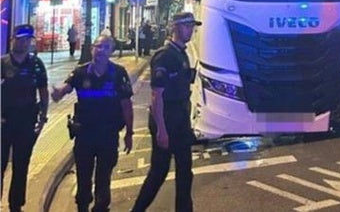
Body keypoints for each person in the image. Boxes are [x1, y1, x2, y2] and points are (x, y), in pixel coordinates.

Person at [51, 34, 134, 212]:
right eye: (98, 46)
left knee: (104, 175)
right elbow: (64, 89)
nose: (101, 50)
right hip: (85, 135)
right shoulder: (80, 72)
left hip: (108, 134)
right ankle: (82, 205)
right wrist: (57, 93)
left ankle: (101, 206)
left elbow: (126, 105)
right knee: (83, 174)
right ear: (91, 49)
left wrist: (129, 133)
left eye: (105, 47)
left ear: (111, 51)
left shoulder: (119, 73)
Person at [132, 12, 199, 212]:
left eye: (192, 26)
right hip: (167, 117)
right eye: (187, 26)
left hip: (179, 117)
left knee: (185, 171)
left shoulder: (181, 53)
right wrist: (161, 129)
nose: (191, 30)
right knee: (159, 172)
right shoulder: (165, 56)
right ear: (175, 27)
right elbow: (156, 96)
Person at [1, 24, 49, 212]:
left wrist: (43, 118)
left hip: (26, 122)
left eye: (27, 39)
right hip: (4, 121)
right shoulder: (3, 63)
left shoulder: (36, 64)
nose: (23, 42)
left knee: (21, 165)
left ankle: (15, 205)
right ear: (13, 39)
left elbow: (43, 92)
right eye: (20, 38)